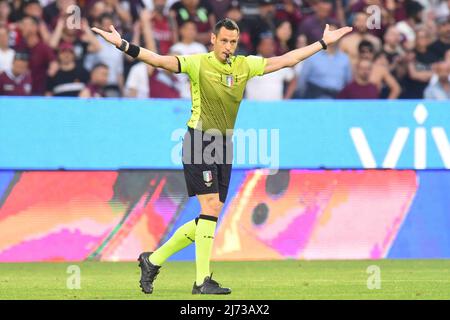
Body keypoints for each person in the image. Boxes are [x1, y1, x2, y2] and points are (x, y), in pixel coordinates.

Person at [92, 18, 352, 295]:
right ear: (213, 40)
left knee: (209, 215)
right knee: (211, 209)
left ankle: (152, 260)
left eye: (233, 42)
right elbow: (157, 60)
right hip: (198, 140)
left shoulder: (244, 66)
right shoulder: (197, 63)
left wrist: (323, 43)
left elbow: (286, 60)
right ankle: (202, 281)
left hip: (223, 145)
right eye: (224, 40)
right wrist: (122, 44)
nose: (228, 46)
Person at [245, 35, 297, 100]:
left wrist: (286, 99)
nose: (268, 47)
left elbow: (293, 80)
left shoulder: (280, 61)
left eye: (271, 45)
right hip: (252, 107)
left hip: (275, 107)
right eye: (265, 45)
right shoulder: (250, 61)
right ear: (259, 47)